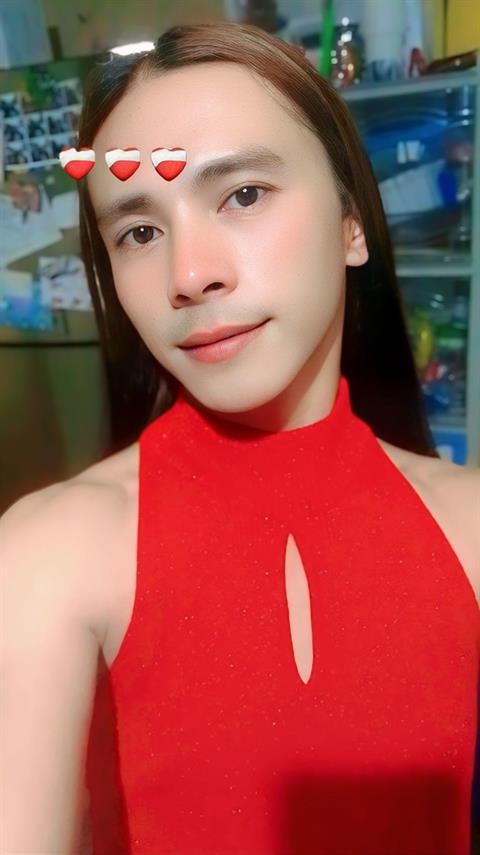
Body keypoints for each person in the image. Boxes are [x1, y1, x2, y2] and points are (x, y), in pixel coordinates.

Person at [1, 20, 479, 855]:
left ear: (351, 223)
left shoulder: (469, 525)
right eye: (139, 232)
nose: (190, 275)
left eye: (244, 195)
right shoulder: (50, 551)